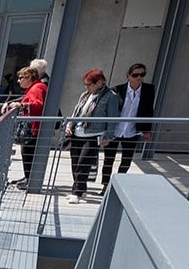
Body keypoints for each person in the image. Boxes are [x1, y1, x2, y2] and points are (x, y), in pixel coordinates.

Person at [63, 68, 120, 201]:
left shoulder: (111, 96)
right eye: (85, 84)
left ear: (99, 82)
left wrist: (108, 136)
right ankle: (81, 190)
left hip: (93, 135)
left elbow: (112, 118)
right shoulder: (85, 95)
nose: (86, 87)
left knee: (84, 163)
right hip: (77, 133)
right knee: (75, 163)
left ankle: (76, 192)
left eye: (89, 84)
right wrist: (69, 125)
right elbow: (77, 111)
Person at [108, 62, 155, 176]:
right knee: (109, 159)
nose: (139, 78)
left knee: (127, 159)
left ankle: (119, 180)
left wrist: (147, 130)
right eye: (135, 75)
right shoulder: (117, 89)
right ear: (128, 75)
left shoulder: (148, 89)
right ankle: (105, 184)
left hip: (133, 130)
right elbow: (110, 110)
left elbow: (149, 110)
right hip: (116, 129)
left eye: (142, 75)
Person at [12, 65, 48, 186]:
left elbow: (37, 104)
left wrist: (20, 105)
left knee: (28, 153)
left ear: (29, 78)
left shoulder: (37, 88)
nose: (18, 81)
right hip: (34, 127)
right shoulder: (36, 87)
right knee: (27, 153)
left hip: (34, 128)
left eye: (21, 78)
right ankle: (28, 177)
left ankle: (30, 180)